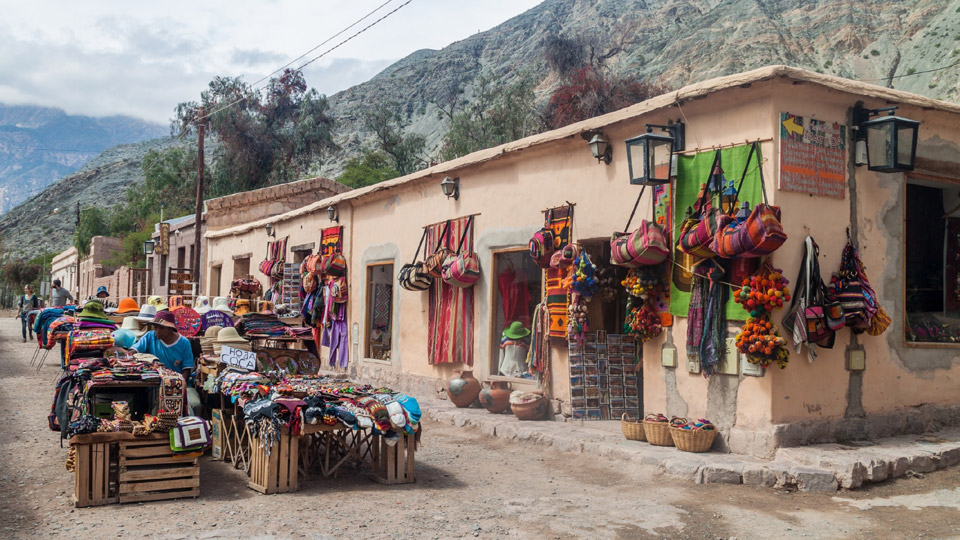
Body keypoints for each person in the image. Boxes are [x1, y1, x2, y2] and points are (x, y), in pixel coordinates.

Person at [131, 310, 201, 414]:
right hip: (156, 384)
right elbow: (134, 351)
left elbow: (186, 369)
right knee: (157, 409)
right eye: (156, 327)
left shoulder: (183, 343)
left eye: (161, 328)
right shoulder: (150, 337)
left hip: (179, 382)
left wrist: (178, 384)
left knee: (195, 405)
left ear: (170, 329)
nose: (157, 331)